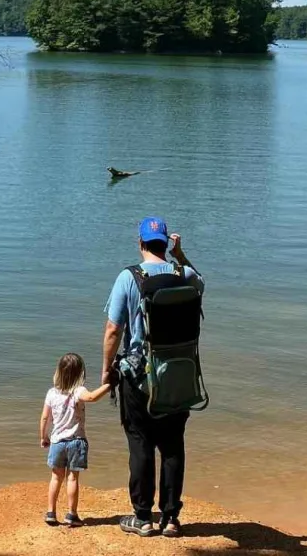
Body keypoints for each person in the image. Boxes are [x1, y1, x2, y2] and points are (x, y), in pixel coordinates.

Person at [101, 219, 205, 538]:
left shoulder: (129, 277)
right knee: (173, 445)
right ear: (166, 243)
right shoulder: (182, 273)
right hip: (178, 374)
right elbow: (200, 281)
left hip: (140, 378)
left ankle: (143, 518)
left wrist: (107, 370)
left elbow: (113, 330)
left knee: (140, 441)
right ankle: (171, 518)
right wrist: (182, 255)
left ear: (141, 243)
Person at [39, 352, 111, 527]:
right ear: (80, 373)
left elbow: (44, 418)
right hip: (76, 441)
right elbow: (93, 397)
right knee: (72, 479)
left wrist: (44, 436)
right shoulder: (78, 391)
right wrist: (109, 385)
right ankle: (71, 514)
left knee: (56, 478)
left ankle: (51, 512)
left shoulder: (51, 392)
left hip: (57, 442)